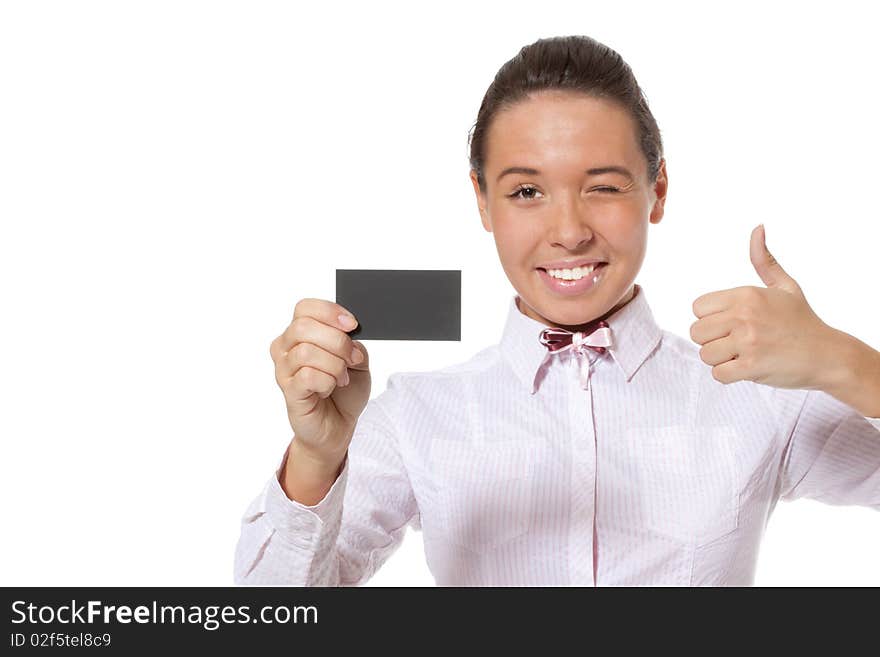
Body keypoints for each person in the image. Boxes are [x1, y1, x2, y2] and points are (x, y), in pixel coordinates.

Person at [233, 35, 880, 586]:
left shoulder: (759, 395)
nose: (568, 230)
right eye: (526, 191)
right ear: (483, 203)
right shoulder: (412, 417)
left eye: (602, 186)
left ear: (657, 190)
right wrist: (316, 457)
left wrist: (847, 365)